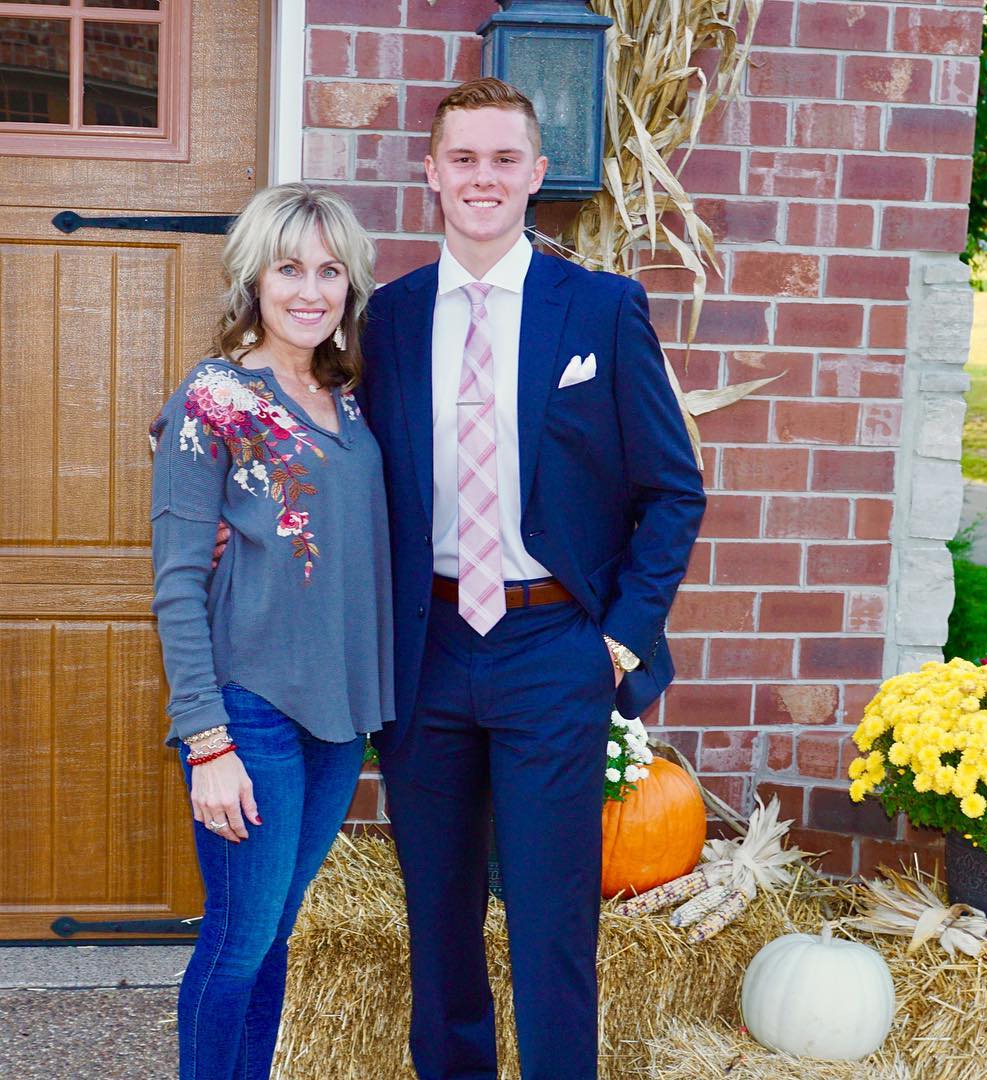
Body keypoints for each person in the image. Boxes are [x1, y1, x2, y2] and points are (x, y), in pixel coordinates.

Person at [361, 78, 706, 1079]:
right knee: (439, 917)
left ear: (536, 175)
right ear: (430, 172)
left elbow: (673, 491)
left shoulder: (599, 310)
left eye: (503, 159)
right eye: (462, 158)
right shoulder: (387, 318)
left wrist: (618, 638)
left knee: (554, 925)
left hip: (554, 648)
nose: (482, 178)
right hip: (426, 650)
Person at [149, 183, 394, 1080]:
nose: (309, 290)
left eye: (330, 270)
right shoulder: (213, 399)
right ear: (253, 276)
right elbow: (176, 583)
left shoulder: (349, 397)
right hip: (248, 710)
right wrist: (205, 739)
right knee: (238, 937)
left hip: (338, 717)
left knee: (276, 932)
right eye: (289, 267)